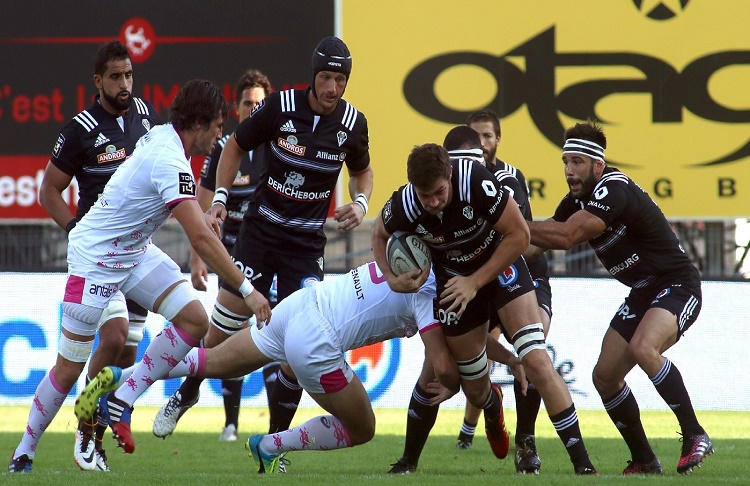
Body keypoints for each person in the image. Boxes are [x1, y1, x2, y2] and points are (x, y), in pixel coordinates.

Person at [8, 79, 271, 474]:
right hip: (94, 258)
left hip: (133, 251)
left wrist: (208, 213)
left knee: (195, 321)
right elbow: (198, 238)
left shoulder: (163, 137)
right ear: (198, 122)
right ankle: (24, 453)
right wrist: (248, 290)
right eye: (217, 125)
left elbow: (195, 221)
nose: (221, 133)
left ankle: (122, 396)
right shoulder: (169, 158)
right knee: (69, 367)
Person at [94, 261, 524, 474]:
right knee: (363, 429)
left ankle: (125, 378)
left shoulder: (404, 258)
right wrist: (453, 386)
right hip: (316, 341)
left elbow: (470, 340)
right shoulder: (429, 290)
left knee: (211, 362)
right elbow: (447, 364)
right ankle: (271, 445)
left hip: (297, 307)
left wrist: (509, 358)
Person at [153, 36, 373, 444]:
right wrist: (219, 198)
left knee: (298, 346)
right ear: (313, 76)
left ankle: (274, 442)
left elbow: (363, 171)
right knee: (220, 336)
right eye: (325, 77)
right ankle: (187, 394)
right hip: (261, 233)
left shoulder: (352, 124)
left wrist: (360, 202)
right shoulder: (280, 107)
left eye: (339, 80)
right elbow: (232, 147)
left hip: (306, 247)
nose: (331, 88)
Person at [373, 141, 597, 475]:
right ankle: (492, 409)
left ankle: (582, 465)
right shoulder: (404, 203)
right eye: (425, 196)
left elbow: (520, 236)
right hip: (454, 285)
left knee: (535, 356)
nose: (433, 203)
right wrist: (391, 278)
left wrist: (475, 282)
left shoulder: (475, 182)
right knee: (475, 389)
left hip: (501, 269)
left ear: (449, 174)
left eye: (438, 192)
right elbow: (378, 234)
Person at [526, 120, 712, 475]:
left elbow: (565, 237)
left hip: (677, 284)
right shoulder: (575, 200)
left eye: (577, 162)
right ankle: (644, 459)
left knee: (645, 348)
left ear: (597, 164)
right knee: (605, 376)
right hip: (644, 291)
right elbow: (536, 243)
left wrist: (508, 223)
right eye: (565, 162)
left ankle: (695, 434)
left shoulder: (613, 188)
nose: (569, 171)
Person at [10, 40, 160, 473]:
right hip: (99, 258)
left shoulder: (146, 117)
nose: (125, 83)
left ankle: (80, 435)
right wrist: (77, 232)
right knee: (105, 342)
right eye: (116, 76)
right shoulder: (80, 129)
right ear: (98, 81)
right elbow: (47, 191)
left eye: (129, 74)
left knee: (126, 356)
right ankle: (54, 439)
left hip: (138, 253)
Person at [455, 109, 553, 475]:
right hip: (484, 277)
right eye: (475, 137)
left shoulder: (508, 178)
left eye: (487, 136)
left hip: (522, 276)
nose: (481, 143)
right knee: (452, 360)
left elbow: (518, 237)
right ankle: (465, 430)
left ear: (497, 140)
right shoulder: (454, 180)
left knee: (533, 353)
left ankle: (525, 443)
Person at [188, 69, 272, 442]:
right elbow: (201, 207)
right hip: (232, 256)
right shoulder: (224, 150)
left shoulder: (279, 143)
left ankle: (275, 429)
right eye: (247, 103)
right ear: (236, 109)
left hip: (269, 251)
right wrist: (197, 259)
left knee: (277, 335)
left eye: (259, 103)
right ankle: (231, 424)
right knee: (226, 337)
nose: (253, 109)